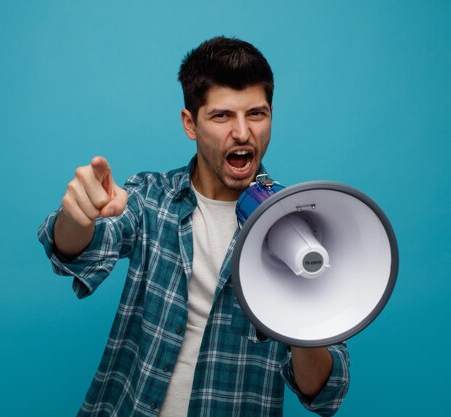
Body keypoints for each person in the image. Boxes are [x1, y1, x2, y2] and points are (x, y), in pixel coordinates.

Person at [38, 36, 350, 417]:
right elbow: (74, 253)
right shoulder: (151, 197)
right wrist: (78, 215)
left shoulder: (304, 226)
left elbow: (323, 392)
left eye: (256, 114)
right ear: (191, 123)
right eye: (222, 116)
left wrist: (304, 301)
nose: (242, 132)